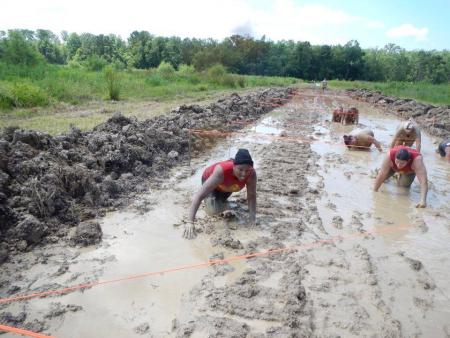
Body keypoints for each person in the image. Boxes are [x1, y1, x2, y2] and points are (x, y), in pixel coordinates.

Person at [183, 149, 257, 239]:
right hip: (210, 180)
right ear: (234, 166)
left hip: (227, 186)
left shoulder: (252, 174)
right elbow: (199, 195)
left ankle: (222, 203)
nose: (243, 174)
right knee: (212, 211)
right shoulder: (221, 171)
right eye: (240, 169)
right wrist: (190, 222)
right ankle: (219, 203)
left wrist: (252, 219)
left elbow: (252, 196)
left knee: (220, 202)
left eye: (247, 170)